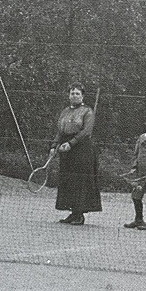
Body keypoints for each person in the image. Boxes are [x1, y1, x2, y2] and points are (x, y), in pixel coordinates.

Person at [52, 82, 102, 225]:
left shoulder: (88, 111)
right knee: (68, 180)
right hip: (66, 149)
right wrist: (54, 146)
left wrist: (71, 143)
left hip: (82, 149)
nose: (74, 96)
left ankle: (79, 214)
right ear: (69, 95)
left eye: (77, 93)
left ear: (82, 96)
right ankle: (73, 213)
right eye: (72, 93)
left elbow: (86, 131)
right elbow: (60, 131)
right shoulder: (65, 111)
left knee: (79, 181)